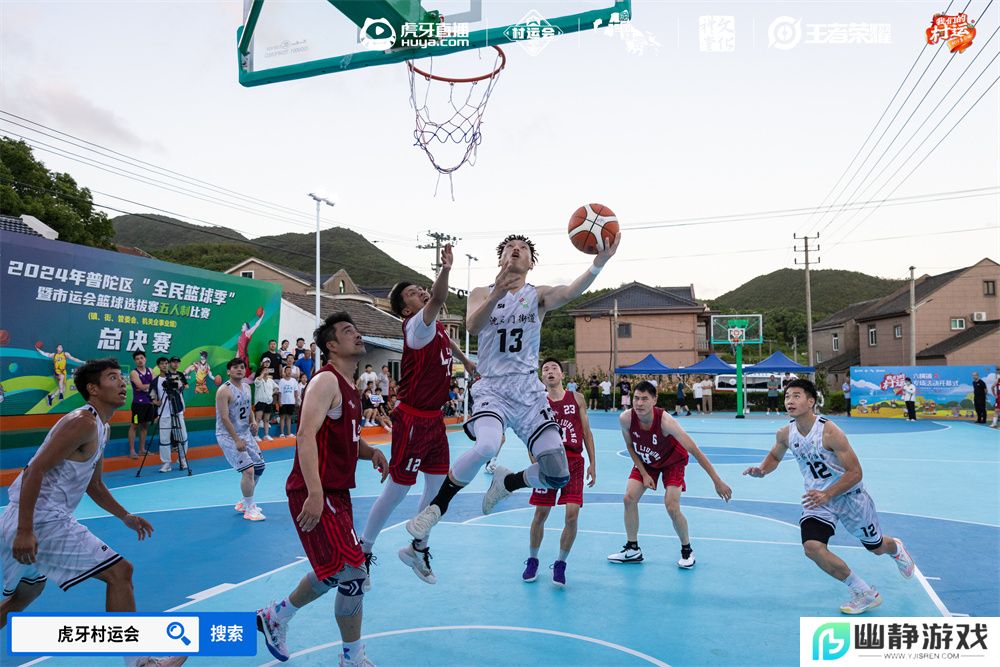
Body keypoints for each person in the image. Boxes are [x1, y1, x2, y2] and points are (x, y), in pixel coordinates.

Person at [405, 232, 621, 569]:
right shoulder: (481, 293)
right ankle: (436, 510)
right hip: (492, 386)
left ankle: (507, 482)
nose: (516, 250)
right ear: (501, 259)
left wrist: (599, 263)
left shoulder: (539, 296)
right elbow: (473, 326)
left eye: (522, 249)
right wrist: (498, 292)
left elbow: (571, 291)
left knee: (558, 473)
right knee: (488, 445)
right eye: (509, 247)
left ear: (531, 263)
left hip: (527, 390)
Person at [0, 358, 186, 667]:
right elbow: (35, 471)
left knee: (20, 599)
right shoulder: (82, 422)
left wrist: (125, 516)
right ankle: (140, 662)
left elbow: (94, 485)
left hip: (35, 519)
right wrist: (25, 530)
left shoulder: (102, 426)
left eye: (121, 377)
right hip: (41, 520)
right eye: (113, 378)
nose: (122, 383)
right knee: (120, 572)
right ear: (93, 389)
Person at [255, 313, 388, 667]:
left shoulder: (351, 388)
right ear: (331, 345)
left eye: (357, 329)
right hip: (317, 490)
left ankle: (276, 615)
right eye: (348, 331)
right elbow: (305, 436)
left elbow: (346, 440)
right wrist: (314, 493)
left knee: (333, 571)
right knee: (355, 572)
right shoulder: (324, 382)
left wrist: (371, 452)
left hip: (335, 492)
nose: (357, 335)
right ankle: (352, 658)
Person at [742, 378, 916, 614]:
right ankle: (864, 592)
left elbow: (855, 472)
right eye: (787, 397)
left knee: (875, 547)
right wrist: (761, 470)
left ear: (811, 401)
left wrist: (828, 493)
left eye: (796, 396)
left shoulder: (830, 432)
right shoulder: (785, 433)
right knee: (812, 547)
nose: (789, 401)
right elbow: (775, 456)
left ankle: (895, 548)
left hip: (850, 497)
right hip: (817, 500)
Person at [360, 247, 475, 588]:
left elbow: (444, 336)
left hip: (434, 420)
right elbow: (437, 301)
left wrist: (465, 361)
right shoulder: (415, 326)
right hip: (412, 419)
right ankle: (362, 551)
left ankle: (417, 546)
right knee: (397, 491)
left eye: (419, 288)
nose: (420, 292)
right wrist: (446, 269)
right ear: (406, 308)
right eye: (413, 293)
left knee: (439, 490)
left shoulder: (434, 328)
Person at [608, 381, 732, 567]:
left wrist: (717, 481)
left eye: (644, 399)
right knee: (629, 498)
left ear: (654, 400)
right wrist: (644, 473)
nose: (639, 403)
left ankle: (687, 550)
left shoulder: (666, 422)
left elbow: (695, 450)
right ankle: (633, 549)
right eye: (636, 398)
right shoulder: (626, 418)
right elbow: (629, 446)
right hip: (648, 460)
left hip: (673, 461)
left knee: (672, 506)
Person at [523, 358, 596, 587]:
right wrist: (534, 460)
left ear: (562, 375)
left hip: (573, 462)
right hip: (548, 462)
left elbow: (586, 432)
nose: (550, 371)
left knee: (572, 514)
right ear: (542, 377)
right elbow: (530, 434)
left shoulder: (577, 399)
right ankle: (533, 559)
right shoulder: (537, 402)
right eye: (545, 369)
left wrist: (593, 463)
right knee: (540, 514)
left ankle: (561, 563)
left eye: (554, 368)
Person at [215, 358, 266, 521]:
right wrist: (236, 440)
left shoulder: (246, 387)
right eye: (235, 367)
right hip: (228, 436)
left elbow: (247, 407)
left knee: (259, 467)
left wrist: (253, 421)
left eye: (242, 367)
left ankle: (245, 501)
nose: (239, 370)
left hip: (245, 433)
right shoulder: (224, 391)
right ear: (228, 371)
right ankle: (250, 509)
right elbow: (224, 417)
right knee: (249, 470)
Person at [152, 357, 190, 473]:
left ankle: (182, 460)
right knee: (164, 439)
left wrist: (178, 384)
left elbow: (182, 388)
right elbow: (152, 395)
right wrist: (155, 401)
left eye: (166, 363)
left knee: (182, 437)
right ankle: (166, 463)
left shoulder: (175, 377)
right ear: (158, 366)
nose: (164, 365)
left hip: (177, 411)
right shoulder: (155, 381)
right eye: (161, 364)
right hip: (163, 413)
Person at [127, 351, 155, 459]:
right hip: (138, 404)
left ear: (145, 359)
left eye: (141, 358)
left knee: (144, 427)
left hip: (148, 403)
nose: (140, 360)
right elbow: (141, 386)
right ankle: (132, 450)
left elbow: (154, 385)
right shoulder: (134, 373)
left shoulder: (150, 370)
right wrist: (147, 386)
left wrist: (146, 387)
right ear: (135, 361)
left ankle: (142, 449)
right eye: (137, 359)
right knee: (134, 425)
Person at [254, 365, 278, 441]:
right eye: (264, 370)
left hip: (268, 402)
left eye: (267, 370)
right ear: (260, 372)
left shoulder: (271, 381)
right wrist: (262, 373)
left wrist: (272, 392)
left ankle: (266, 435)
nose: (266, 371)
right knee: (258, 419)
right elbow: (257, 382)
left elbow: (277, 388)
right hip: (260, 401)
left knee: (266, 420)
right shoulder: (258, 379)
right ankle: (255, 435)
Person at [278, 364, 299, 438]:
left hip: (291, 402)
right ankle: (282, 433)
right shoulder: (281, 381)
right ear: (285, 372)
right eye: (287, 370)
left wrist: (296, 401)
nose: (289, 372)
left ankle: (289, 433)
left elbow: (296, 392)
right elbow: (280, 392)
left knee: (289, 417)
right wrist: (279, 401)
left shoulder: (294, 381)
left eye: (290, 370)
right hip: (283, 402)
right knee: (282, 417)